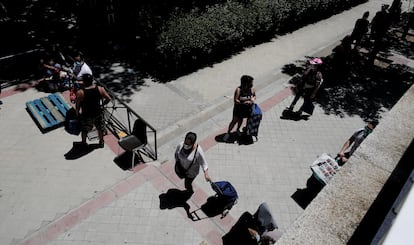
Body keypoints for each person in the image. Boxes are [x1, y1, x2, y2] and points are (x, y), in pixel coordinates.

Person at [75, 74, 111, 148]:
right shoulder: (100, 89)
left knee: (84, 130)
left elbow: (77, 106)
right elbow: (108, 98)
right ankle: (101, 142)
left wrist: (77, 114)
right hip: (98, 113)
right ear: (92, 80)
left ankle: (84, 143)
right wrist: (102, 105)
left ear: (84, 82)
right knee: (99, 128)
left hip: (86, 115)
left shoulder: (80, 93)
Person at [223, 75, 256, 142]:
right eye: (251, 83)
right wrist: (244, 103)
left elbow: (254, 96)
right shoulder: (238, 90)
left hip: (247, 109)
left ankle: (237, 130)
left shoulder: (252, 89)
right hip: (238, 109)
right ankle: (228, 132)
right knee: (234, 121)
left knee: (242, 120)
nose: (252, 84)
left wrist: (252, 100)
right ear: (245, 83)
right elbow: (236, 100)